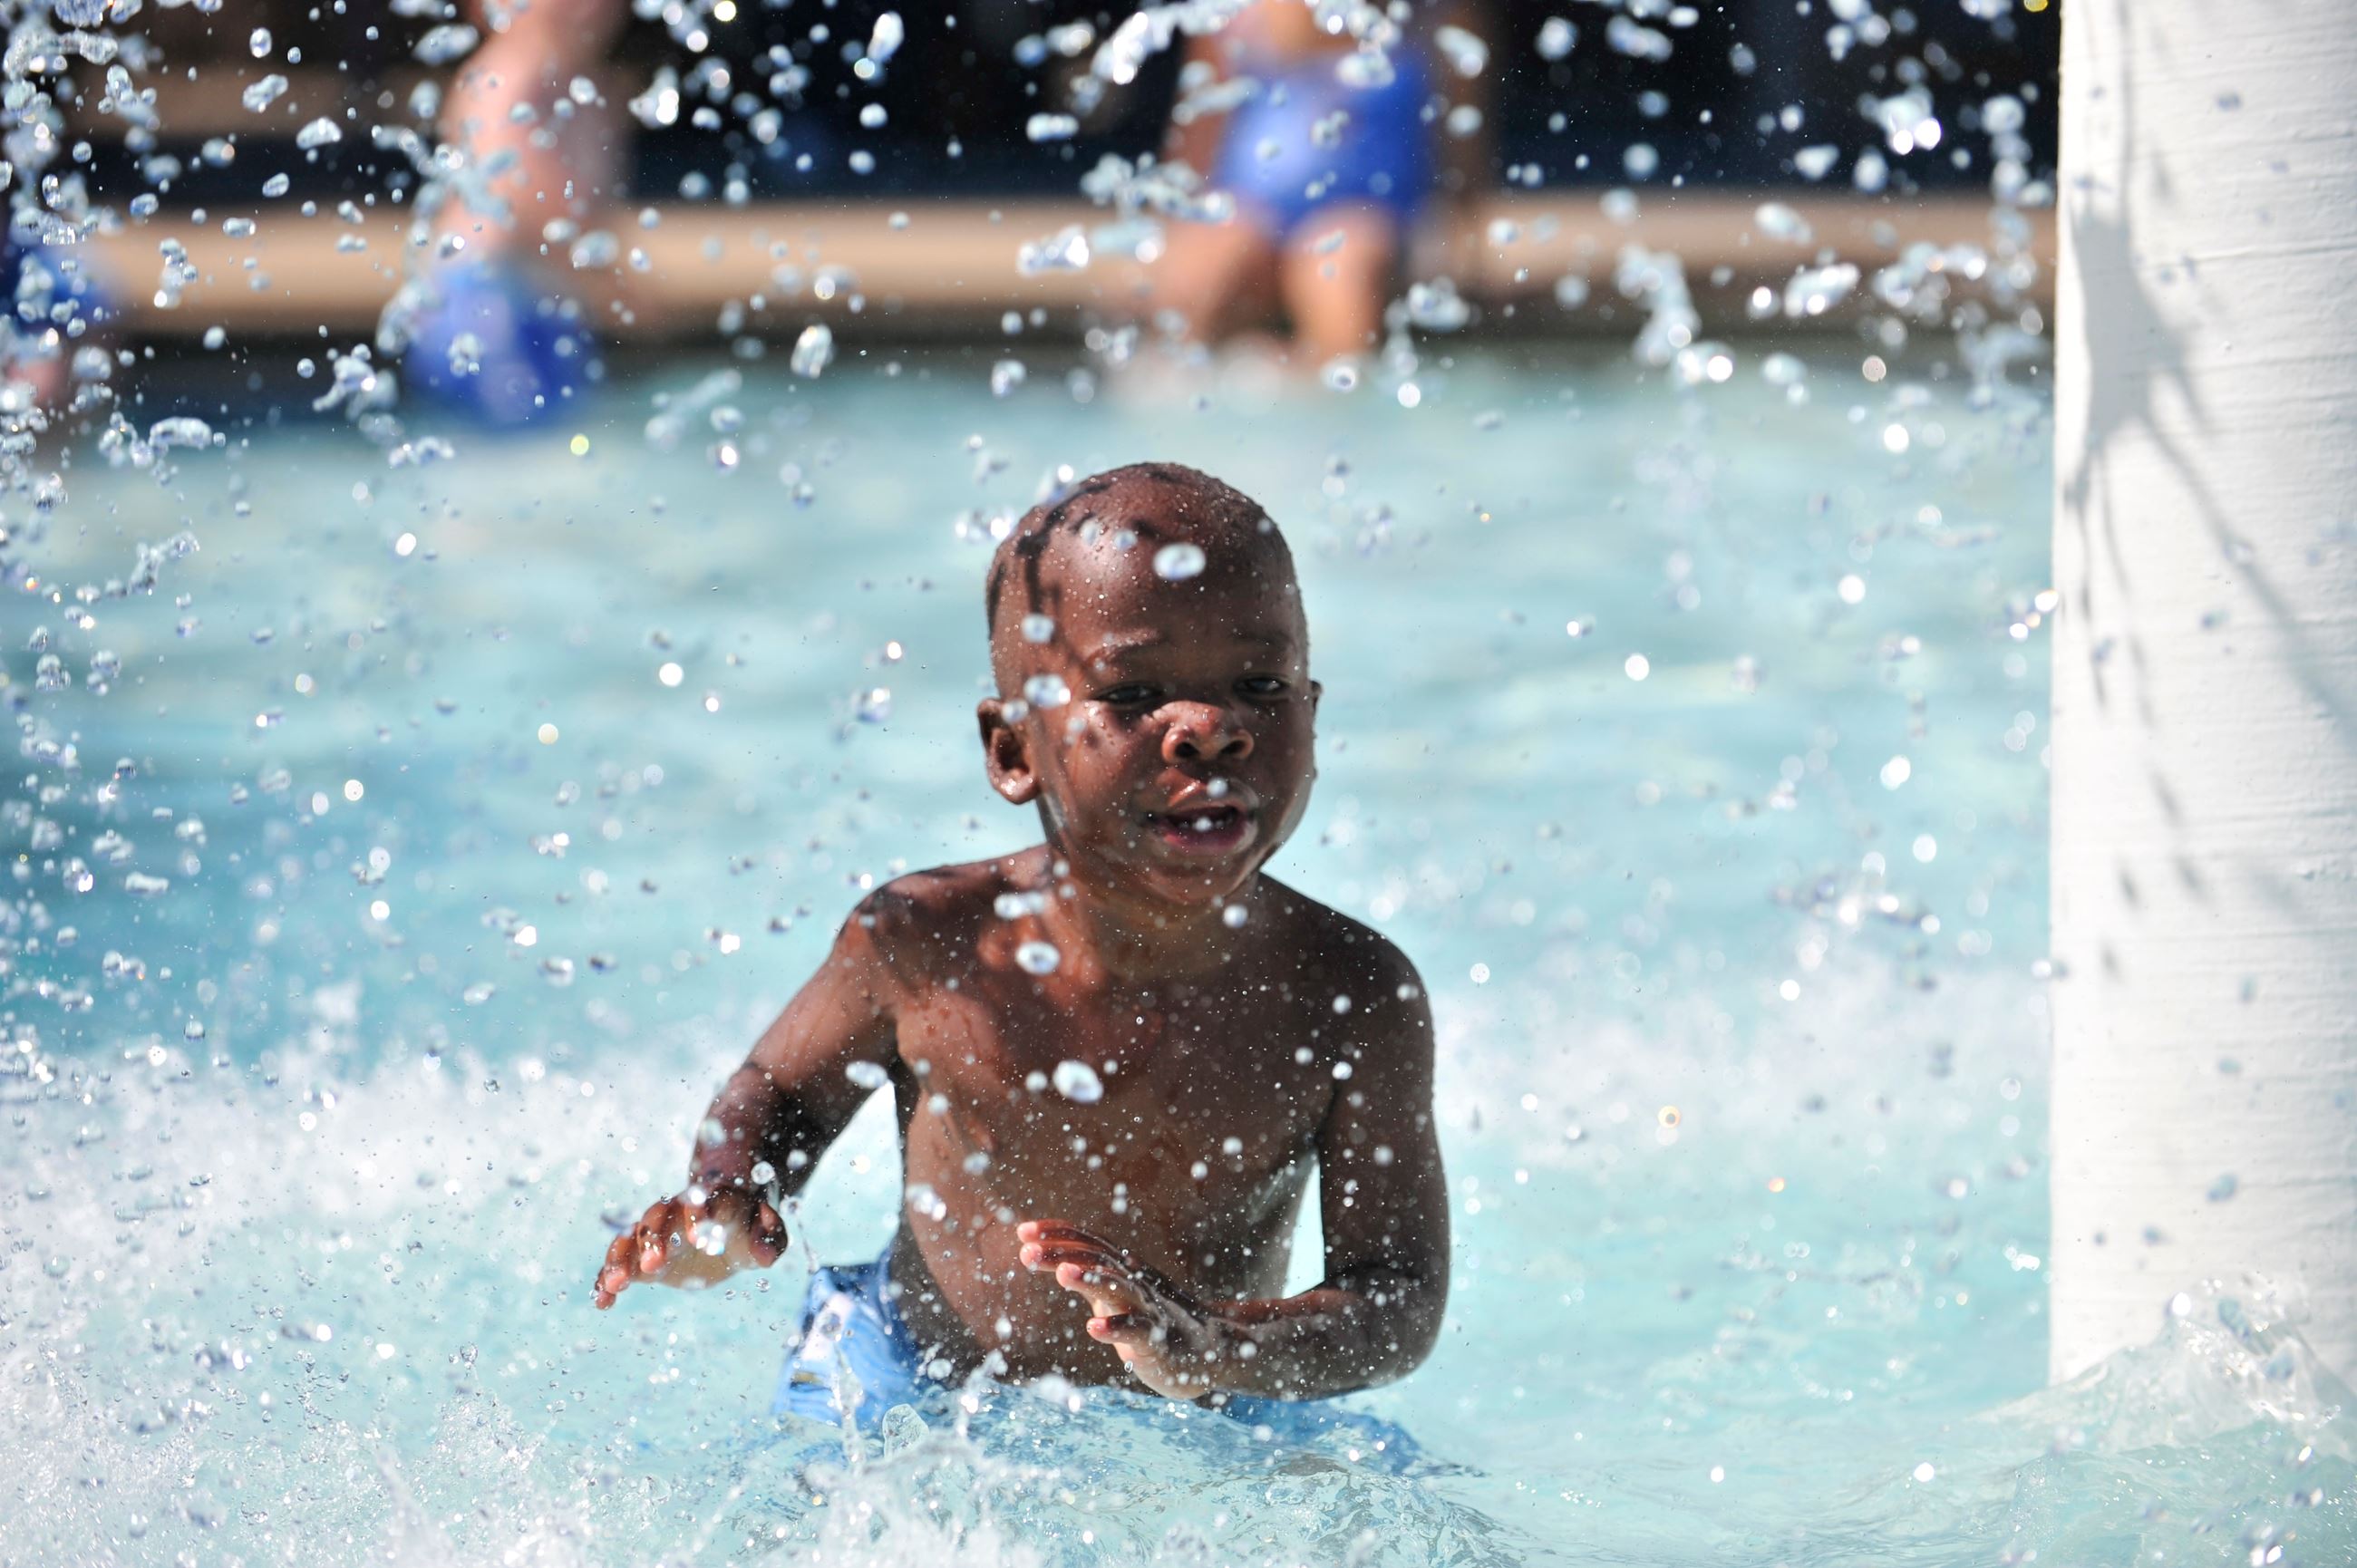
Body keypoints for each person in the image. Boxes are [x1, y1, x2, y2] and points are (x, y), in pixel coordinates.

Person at [592, 462, 1449, 1433]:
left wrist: (1215, 1344)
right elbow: (779, 1093)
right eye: (1132, 695)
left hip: (1211, 1398)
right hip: (905, 1380)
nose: (1208, 729)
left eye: (1258, 684)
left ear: (1312, 711)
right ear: (1012, 751)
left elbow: (1396, 1298)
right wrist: (728, 1198)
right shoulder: (926, 941)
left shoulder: (1352, 992)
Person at [1141, 1, 1489, 374]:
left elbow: (1464, 142)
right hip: (1251, 209)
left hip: (1366, 214)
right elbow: (1199, 133)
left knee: (1336, 274)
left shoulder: (1432, 16)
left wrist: (1464, 237)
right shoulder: (1235, 13)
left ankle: (1319, 404)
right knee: (1202, 276)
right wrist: (1173, 228)